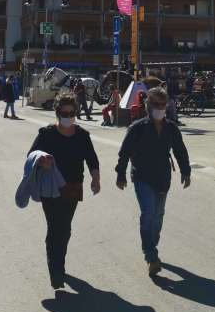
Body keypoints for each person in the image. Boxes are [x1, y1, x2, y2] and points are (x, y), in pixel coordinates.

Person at [115, 86, 191, 277]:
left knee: (158, 216)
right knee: (148, 213)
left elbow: (180, 151)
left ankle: (152, 246)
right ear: (148, 105)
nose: (159, 107)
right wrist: (121, 174)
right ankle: (150, 255)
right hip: (142, 177)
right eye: (155, 104)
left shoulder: (171, 128)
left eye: (162, 104)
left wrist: (186, 171)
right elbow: (124, 152)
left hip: (163, 177)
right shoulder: (137, 128)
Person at [28, 92, 100, 289]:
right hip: (50, 188)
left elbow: (92, 159)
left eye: (71, 112)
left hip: (73, 188)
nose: (68, 116)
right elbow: (31, 155)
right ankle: (56, 271)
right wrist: (41, 161)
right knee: (55, 228)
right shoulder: (46, 134)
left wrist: (96, 178)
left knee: (65, 228)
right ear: (57, 112)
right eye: (64, 112)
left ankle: (59, 264)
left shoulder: (82, 136)